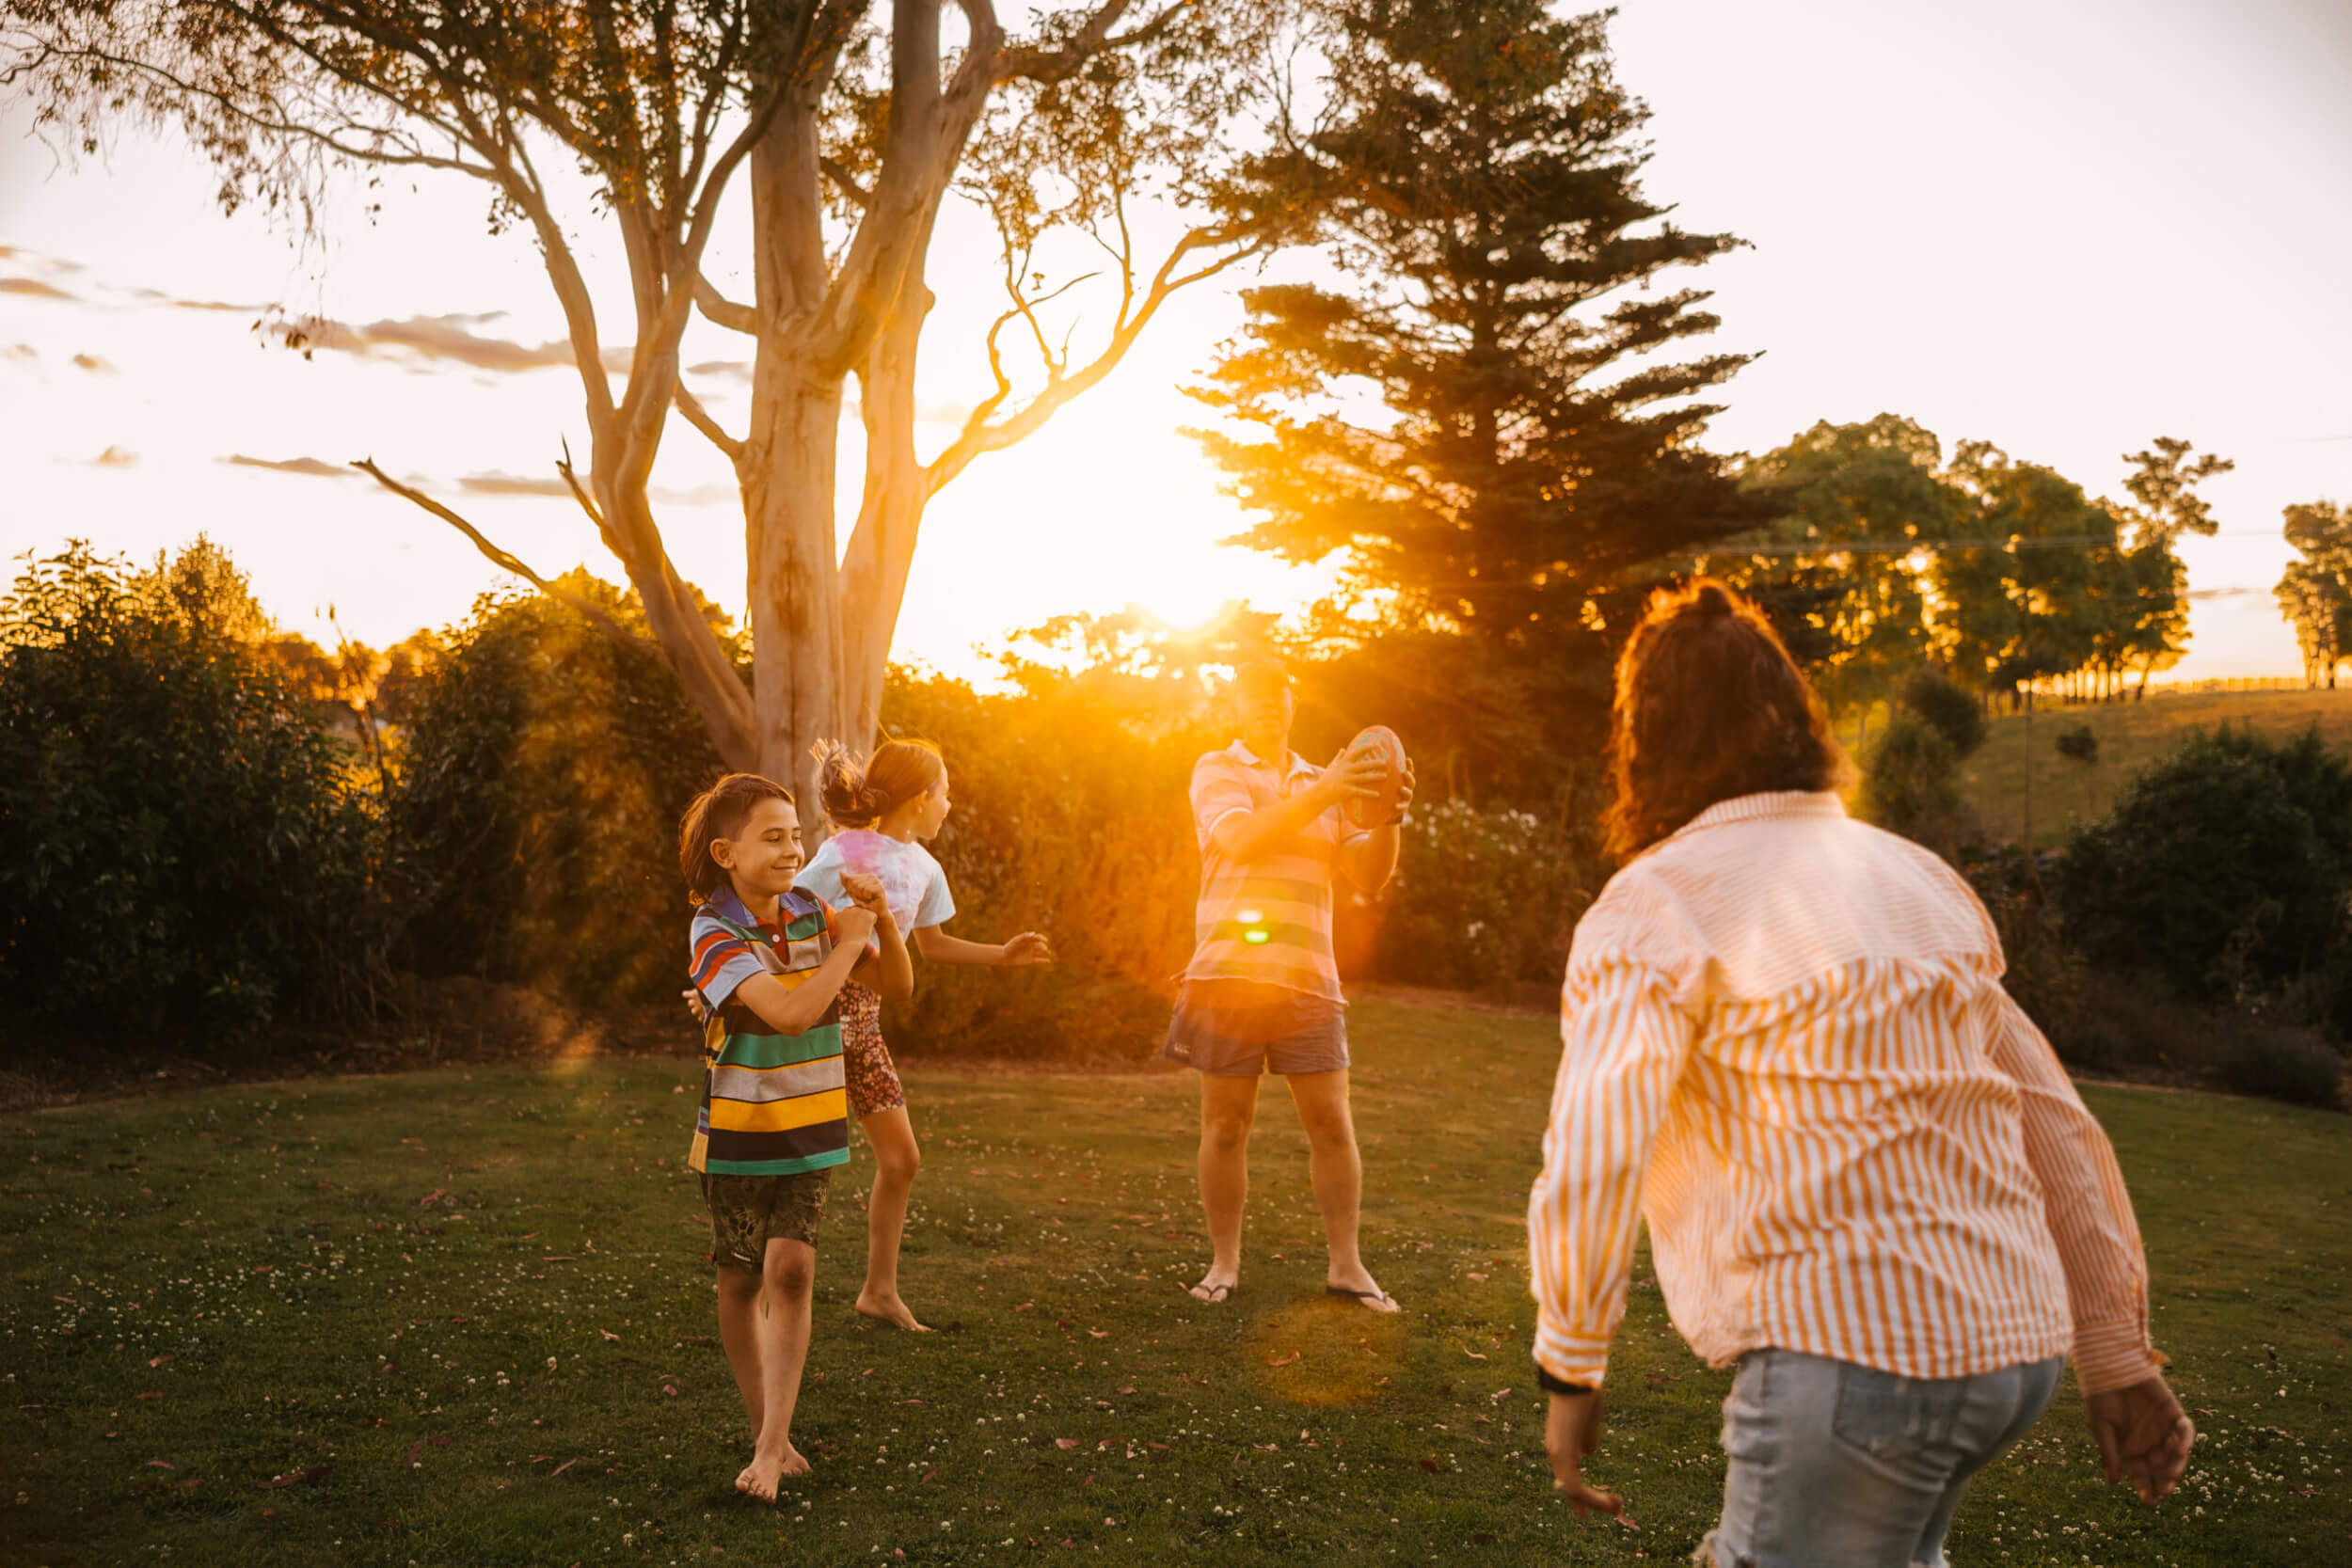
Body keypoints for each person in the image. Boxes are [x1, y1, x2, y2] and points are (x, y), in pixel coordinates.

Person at [1526, 581, 2194, 1566]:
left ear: (1644, 740)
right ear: (1797, 717)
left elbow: (1596, 1145)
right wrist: (2110, 1349)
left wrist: (1571, 1366)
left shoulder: (1657, 899)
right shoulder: (1915, 877)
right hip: (2007, 1349)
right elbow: (2052, 1118)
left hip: (1853, 1352)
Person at [677, 771, 912, 1500]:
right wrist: (847, 948)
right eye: (772, 837)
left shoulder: (814, 908)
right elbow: (788, 1012)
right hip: (740, 1132)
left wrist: (884, 924)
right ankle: (765, 1430)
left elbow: (896, 988)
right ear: (726, 852)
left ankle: (773, 1446)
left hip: (815, 1121)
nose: (792, 849)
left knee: (792, 1272)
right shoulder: (711, 929)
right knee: (742, 1278)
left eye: (795, 835)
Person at [1165, 661, 1414, 1311]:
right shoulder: (1218, 769)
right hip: (1227, 976)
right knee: (1226, 1125)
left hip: (1309, 976)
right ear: (1236, 706)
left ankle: (1346, 1265)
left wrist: (1387, 816)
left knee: (1332, 1123)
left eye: (1276, 694)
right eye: (1253, 695)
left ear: (1291, 704)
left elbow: (1368, 877)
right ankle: (1224, 1262)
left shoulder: (1323, 780)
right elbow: (1244, 839)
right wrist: (1331, 787)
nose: (1266, 704)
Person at [796, 737, 1054, 1333]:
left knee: (903, 1158)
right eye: (945, 792)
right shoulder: (848, 849)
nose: (949, 803)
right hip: (813, 1019)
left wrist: (1002, 957)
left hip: (865, 1022)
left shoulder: (926, 867)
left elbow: (931, 946)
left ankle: (878, 1292)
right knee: (798, 1164)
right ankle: (768, 1288)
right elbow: (786, 907)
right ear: (918, 798)